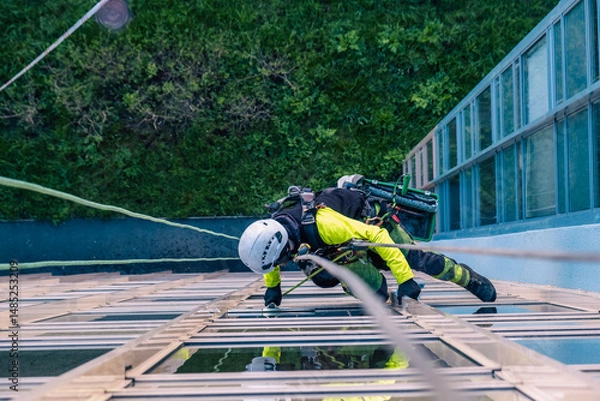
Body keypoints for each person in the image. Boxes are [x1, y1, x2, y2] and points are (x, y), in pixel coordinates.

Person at [238, 175, 496, 307]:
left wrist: (406, 280)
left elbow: (377, 236)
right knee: (325, 276)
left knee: (413, 259)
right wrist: (273, 288)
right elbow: (268, 257)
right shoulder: (278, 229)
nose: (284, 264)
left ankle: (467, 278)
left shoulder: (323, 225)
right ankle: (377, 289)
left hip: (374, 225)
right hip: (347, 246)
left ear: (284, 245)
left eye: (282, 261)